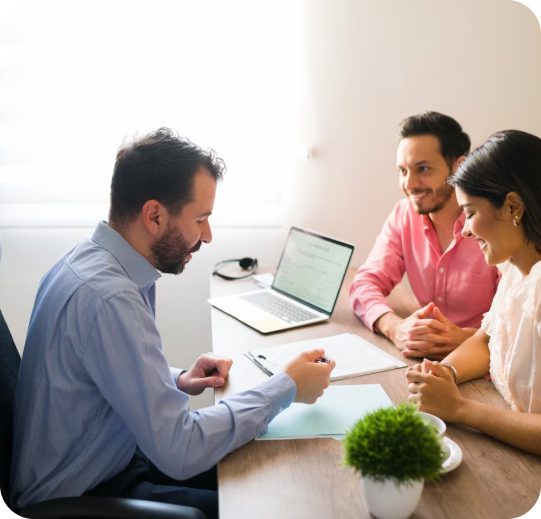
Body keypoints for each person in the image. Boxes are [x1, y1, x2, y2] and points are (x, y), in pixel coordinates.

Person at [10, 128, 335, 517]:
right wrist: (287, 386)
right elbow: (180, 450)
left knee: (268, 466)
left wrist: (175, 379)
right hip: (81, 490)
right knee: (263, 503)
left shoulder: (96, 261)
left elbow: (95, 367)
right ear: (154, 215)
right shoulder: (111, 297)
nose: (208, 236)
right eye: (200, 219)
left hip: (105, 454)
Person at [407, 129, 541, 456]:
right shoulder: (514, 267)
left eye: (469, 213)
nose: (465, 229)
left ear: (513, 207)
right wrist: (446, 373)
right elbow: (488, 339)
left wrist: (460, 408)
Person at [350, 111, 500, 360]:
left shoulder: (494, 222)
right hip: (423, 359)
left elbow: (520, 323)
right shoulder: (404, 214)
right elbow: (365, 283)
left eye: (423, 169)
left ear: (458, 166)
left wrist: (464, 337)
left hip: (487, 364)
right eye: (403, 170)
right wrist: (394, 327)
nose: (409, 184)